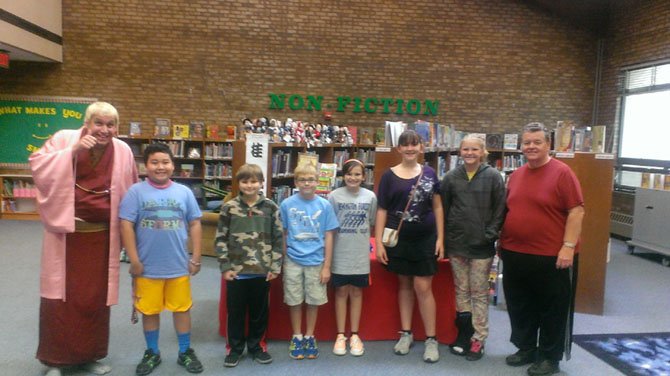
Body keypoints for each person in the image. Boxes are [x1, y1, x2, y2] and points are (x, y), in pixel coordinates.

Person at [29, 101, 138, 376]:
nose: (104, 130)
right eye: (98, 123)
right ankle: (56, 360)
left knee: (95, 299)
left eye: (110, 124)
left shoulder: (123, 150)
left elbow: (131, 188)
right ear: (87, 123)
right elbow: (37, 165)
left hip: (102, 238)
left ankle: (90, 356)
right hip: (66, 237)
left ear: (117, 127)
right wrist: (73, 151)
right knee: (59, 299)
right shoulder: (64, 138)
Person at [500, 122, 584, 376]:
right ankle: (526, 348)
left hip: (552, 255)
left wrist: (568, 247)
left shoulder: (562, 173)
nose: (531, 146)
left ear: (548, 144)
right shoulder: (516, 175)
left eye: (537, 142)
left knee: (552, 308)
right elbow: (508, 210)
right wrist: (500, 242)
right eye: (527, 142)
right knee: (520, 304)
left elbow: (577, 210)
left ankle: (549, 356)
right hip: (515, 252)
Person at [119, 143, 204, 375]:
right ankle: (152, 351)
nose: (160, 167)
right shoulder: (136, 192)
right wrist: (134, 260)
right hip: (147, 267)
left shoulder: (184, 192)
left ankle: (185, 351)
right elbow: (125, 225)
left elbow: (195, 223)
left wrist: (196, 256)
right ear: (145, 166)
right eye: (154, 162)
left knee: (182, 309)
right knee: (149, 311)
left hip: (178, 266)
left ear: (173, 165)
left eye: (165, 162)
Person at [375, 129, 445, 363]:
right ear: (399, 149)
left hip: (425, 239)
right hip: (398, 238)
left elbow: (437, 207)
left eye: (414, 144)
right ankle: (406, 333)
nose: (410, 149)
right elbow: (382, 209)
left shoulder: (430, 173)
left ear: (421, 147)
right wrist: (379, 244)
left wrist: (440, 239)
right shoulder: (388, 176)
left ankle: (431, 339)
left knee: (423, 287)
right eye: (405, 145)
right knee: (404, 284)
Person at [440, 134, 506, 361]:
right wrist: (448, 238)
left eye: (474, 150)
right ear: (460, 151)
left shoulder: (493, 177)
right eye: (465, 149)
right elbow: (445, 210)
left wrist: (490, 234)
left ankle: (479, 339)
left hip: (482, 247)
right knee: (461, 290)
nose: (469, 153)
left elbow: (500, 209)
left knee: (478, 293)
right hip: (457, 245)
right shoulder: (450, 178)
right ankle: (464, 334)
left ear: (482, 152)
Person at [215, 164, 284, 367]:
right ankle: (234, 349)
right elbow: (220, 239)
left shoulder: (271, 207)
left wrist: (274, 267)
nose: (249, 185)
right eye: (245, 181)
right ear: (238, 183)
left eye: (254, 181)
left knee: (259, 313)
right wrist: (225, 266)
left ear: (261, 183)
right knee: (235, 313)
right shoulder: (229, 207)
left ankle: (257, 347)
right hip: (236, 273)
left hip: (262, 272)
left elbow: (279, 239)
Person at [280, 164, 339, 360]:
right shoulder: (287, 204)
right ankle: (297, 335)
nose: (307, 183)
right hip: (293, 260)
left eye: (311, 180)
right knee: (295, 299)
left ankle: (309, 335)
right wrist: (284, 257)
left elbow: (329, 236)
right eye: (303, 180)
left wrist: (327, 266)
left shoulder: (324, 205)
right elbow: (284, 233)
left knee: (314, 300)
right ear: (296, 182)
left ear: (317, 182)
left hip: (316, 260)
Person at [327, 159, 377, 356]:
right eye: (349, 174)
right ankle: (341, 335)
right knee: (340, 292)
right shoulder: (333, 196)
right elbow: (330, 226)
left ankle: (355, 334)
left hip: (359, 254)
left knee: (356, 292)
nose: (353, 177)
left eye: (357, 174)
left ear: (364, 177)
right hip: (340, 252)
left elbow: (372, 222)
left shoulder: (370, 197)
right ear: (343, 176)